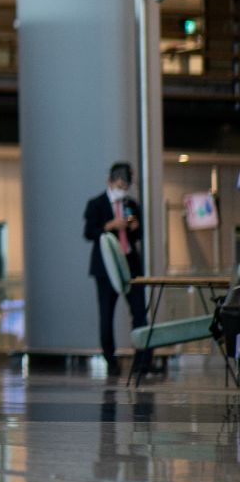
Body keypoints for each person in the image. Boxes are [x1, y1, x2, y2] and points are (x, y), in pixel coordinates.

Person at [84, 162, 157, 378]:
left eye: (126, 186)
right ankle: (110, 360)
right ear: (110, 181)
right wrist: (110, 226)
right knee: (106, 315)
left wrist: (135, 228)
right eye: (119, 185)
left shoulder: (131, 205)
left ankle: (143, 361)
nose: (122, 189)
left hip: (130, 265)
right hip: (105, 269)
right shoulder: (96, 204)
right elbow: (89, 233)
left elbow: (139, 234)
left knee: (139, 313)